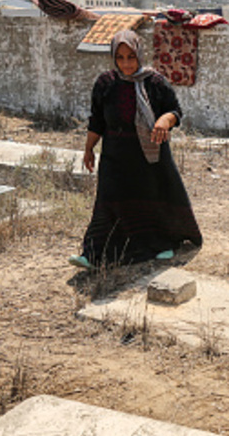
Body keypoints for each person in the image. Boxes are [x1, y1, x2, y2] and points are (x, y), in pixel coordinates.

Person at [69, 29, 202, 268]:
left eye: (130, 57)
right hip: (115, 154)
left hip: (148, 155)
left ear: (139, 54)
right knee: (107, 200)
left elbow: (175, 111)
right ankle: (92, 255)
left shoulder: (154, 82)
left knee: (151, 198)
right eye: (120, 58)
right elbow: (96, 120)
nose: (126, 63)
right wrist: (89, 149)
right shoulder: (105, 83)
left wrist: (164, 120)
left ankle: (162, 245)